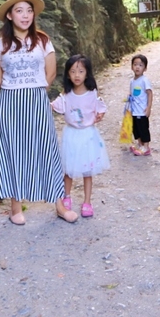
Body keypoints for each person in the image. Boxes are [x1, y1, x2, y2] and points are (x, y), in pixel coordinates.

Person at [0, 0, 78, 225]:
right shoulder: (0, 44)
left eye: (29, 10)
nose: (25, 15)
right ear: (9, 15)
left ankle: (59, 205)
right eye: (19, 10)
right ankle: (16, 207)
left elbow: (51, 72)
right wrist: (17, 88)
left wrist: (35, 90)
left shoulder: (43, 40)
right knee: (13, 151)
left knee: (47, 149)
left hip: (37, 100)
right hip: (10, 103)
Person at [51, 54, 110, 218]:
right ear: (68, 75)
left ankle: (87, 202)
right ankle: (66, 197)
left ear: (87, 73)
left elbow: (100, 108)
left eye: (81, 71)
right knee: (68, 170)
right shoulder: (66, 95)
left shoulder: (92, 94)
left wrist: (100, 114)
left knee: (87, 171)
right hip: (71, 135)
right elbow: (54, 106)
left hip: (87, 136)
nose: (77, 75)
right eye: (73, 71)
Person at [127, 54, 153, 156]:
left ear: (145, 68)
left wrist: (149, 107)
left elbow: (149, 93)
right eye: (135, 64)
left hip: (142, 111)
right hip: (134, 110)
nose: (137, 67)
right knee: (135, 129)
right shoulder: (132, 81)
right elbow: (132, 92)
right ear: (132, 67)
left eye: (141, 65)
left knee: (143, 129)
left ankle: (146, 147)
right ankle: (140, 144)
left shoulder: (144, 80)